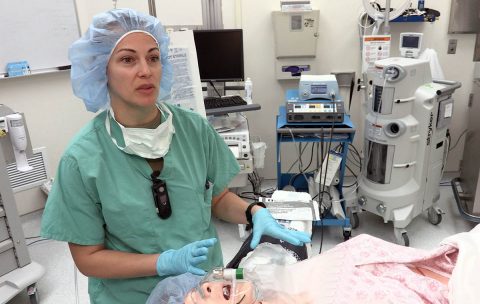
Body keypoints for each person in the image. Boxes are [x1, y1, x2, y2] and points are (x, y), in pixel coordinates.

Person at [40, 8, 310, 304]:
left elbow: (217, 200)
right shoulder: (81, 160)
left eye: (153, 57)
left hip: (205, 289)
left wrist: (254, 212)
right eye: (128, 59)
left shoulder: (194, 128)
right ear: (101, 69)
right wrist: (162, 262)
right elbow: (88, 258)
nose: (146, 70)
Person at [147, 223, 480, 303]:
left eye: (200, 285)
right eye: (199, 298)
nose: (207, 285)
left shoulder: (280, 282)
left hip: (455, 260)